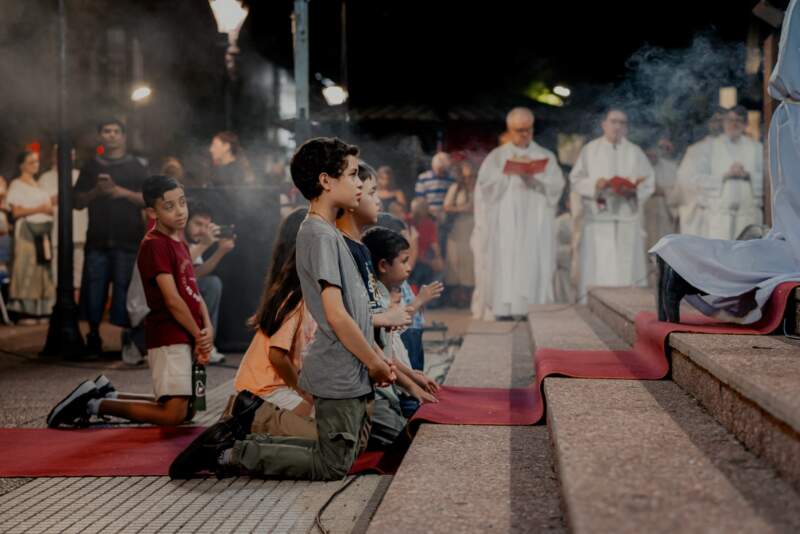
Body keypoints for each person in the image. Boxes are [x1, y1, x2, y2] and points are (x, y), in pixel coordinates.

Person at [170, 137, 396, 481]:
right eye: (352, 175)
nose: (359, 186)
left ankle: (241, 444)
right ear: (325, 181)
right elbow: (336, 314)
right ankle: (231, 452)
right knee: (331, 465)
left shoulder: (329, 234)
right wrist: (375, 361)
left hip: (350, 371)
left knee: (342, 454)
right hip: (337, 372)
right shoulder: (318, 233)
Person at [653, 0, 800, 325]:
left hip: (750, 201)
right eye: (729, 118)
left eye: (738, 117)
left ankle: (683, 260)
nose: (734, 121)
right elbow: (689, 182)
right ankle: (684, 260)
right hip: (718, 208)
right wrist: (722, 179)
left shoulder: (751, 145)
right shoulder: (706, 148)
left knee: (794, 245)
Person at [47, 175, 214, 427]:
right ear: (151, 212)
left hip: (186, 333)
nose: (180, 211)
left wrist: (206, 328)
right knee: (172, 415)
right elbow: (172, 299)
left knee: (184, 411)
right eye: (169, 206)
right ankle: (92, 404)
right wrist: (198, 334)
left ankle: (108, 394)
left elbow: (192, 290)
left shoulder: (178, 241)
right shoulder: (155, 244)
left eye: (182, 202)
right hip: (169, 335)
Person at [477, 107, 565, 317]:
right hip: (507, 219)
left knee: (534, 259)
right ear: (509, 129)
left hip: (535, 219)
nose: (524, 134)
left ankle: (534, 307)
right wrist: (507, 173)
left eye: (528, 129)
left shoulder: (545, 156)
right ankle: (505, 309)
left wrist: (535, 178)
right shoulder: (497, 156)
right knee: (507, 259)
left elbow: (557, 185)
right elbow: (485, 186)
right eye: (519, 130)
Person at [74, 118, 148, 355]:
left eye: (116, 131)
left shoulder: (137, 166)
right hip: (97, 238)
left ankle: (128, 338)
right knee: (94, 289)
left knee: (126, 291)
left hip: (128, 239)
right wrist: (97, 191)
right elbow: (76, 201)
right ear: (100, 136)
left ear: (124, 136)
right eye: (107, 131)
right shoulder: (91, 165)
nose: (112, 135)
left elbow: (148, 199)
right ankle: (93, 335)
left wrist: (119, 192)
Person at [569, 108, 655, 301]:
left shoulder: (635, 152)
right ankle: (593, 303)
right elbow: (575, 179)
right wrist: (595, 184)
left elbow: (649, 182)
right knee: (600, 264)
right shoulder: (590, 150)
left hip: (626, 216)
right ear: (604, 124)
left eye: (622, 123)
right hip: (600, 218)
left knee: (627, 266)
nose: (617, 126)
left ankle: (628, 304)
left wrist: (633, 190)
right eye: (613, 121)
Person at [375, 212, 443, 371]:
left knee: (416, 372)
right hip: (406, 336)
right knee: (411, 370)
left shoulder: (397, 280)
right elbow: (399, 318)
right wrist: (420, 300)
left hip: (412, 332)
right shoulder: (390, 284)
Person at [692, 106, 764, 240]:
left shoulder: (756, 148)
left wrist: (748, 175)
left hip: (748, 215)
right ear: (723, 123)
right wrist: (725, 176)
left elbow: (768, 180)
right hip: (719, 216)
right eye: (730, 120)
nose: (734, 124)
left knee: (747, 256)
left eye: (739, 120)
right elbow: (698, 179)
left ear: (745, 124)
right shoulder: (711, 147)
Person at [184, 200, 235, 364]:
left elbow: (195, 274)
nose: (202, 231)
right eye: (198, 224)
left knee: (212, 283)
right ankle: (133, 338)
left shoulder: (194, 242)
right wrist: (205, 244)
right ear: (185, 221)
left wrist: (220, 251)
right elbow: (177, 268)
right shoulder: (175, 236)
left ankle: (207, 345)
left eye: (207, 226)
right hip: (149, 303)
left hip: (179, 291)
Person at [6, 150, 54, 323]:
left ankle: (41, 310)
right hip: (26, 231)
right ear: (22, 165)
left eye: (36, 162)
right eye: (31, 162)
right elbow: (17, 211)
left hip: (42, 232)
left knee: (41, 269)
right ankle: (25, 311)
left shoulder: (37, 185)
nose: (35, 165)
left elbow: (48, 206)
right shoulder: (17, 185)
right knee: (26, 267)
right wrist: (40, 209)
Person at [38, 146, 87, 299]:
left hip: (79, 230)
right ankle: (57, 304)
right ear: (54, 156)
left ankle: (76, 308)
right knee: (56, 270)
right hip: (55, 232)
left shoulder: (79, 175)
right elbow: (41, 203)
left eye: (71, 155)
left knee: (79, 271)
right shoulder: (45, 178)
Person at [674, 109, 724, 236]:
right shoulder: (695, 150)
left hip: (724, 212)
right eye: (715, 120)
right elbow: (685, 182)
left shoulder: (735, 149)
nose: (719, 124)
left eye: (722, 120)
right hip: (700, 212)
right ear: (709, 123)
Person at [443, 159, 476, 308]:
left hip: (475, 228)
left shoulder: (480, 188)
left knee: (471, 262)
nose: (469, 179)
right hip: (458, 228)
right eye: (466, 176)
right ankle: (457, 297)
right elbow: (447, 207)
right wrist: (463, 209)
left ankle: (470, 296)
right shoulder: (456, 188)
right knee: (456, 261)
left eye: (472, 176)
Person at [643, 136, 679, 251]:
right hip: (644, 217)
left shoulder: (672, 167)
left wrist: (663, 191)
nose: (652, 154)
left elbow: (679, 192)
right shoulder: (637, 166)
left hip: (665, 216)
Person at [414, 152, 454, 220]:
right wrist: (429, 214)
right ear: (433, 166)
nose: (440, 172)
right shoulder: (423, 178)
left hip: (446, 216)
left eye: (442, 169)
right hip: (428, 215)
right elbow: (420, 199)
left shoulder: (451, 178)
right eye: (438, 168)